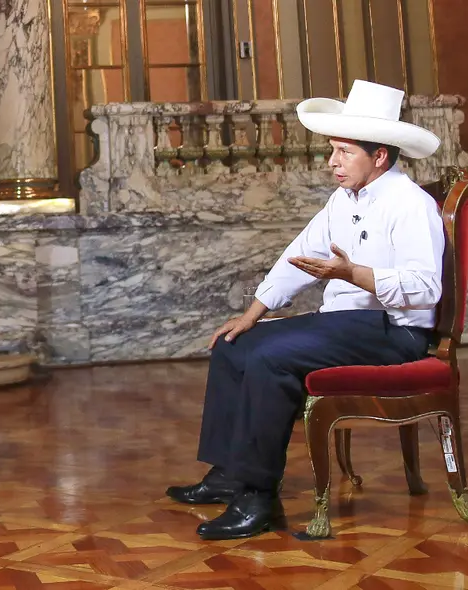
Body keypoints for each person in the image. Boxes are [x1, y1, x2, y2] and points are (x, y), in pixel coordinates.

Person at [166, 80, 445, 540]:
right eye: (332, 150)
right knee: (235, 345)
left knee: (269, 358)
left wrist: (352, 273)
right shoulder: (344, 199)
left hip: (396, 332)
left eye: (344, 152)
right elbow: (298, 256)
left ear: (380, 156)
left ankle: (257, 496)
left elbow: (425, 289)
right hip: (350, 323)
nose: (332, 162)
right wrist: (252, 312)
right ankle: (229, 473)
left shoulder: (410, 205)